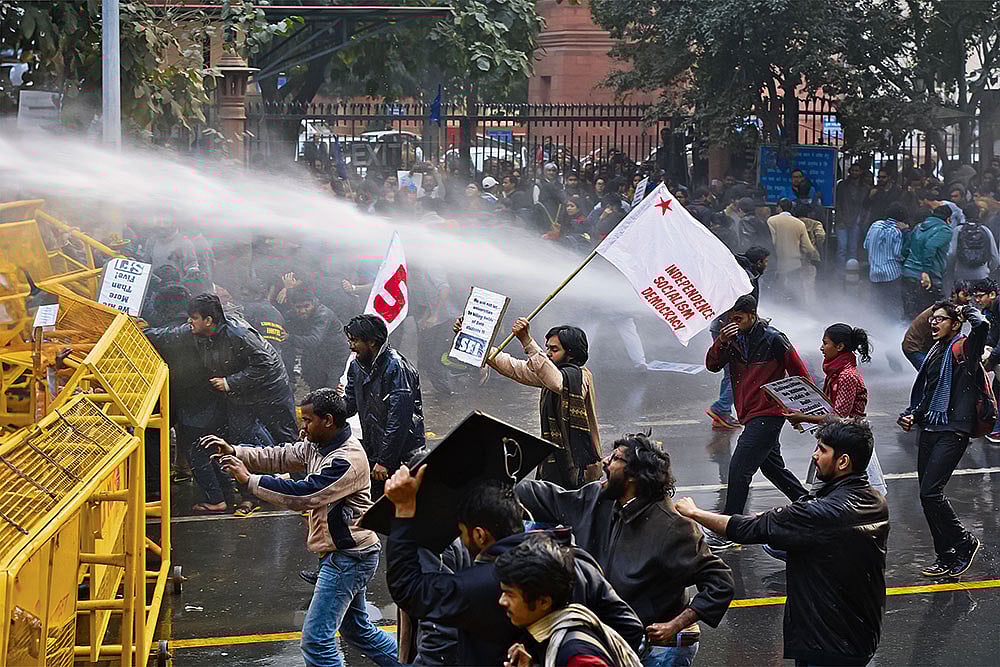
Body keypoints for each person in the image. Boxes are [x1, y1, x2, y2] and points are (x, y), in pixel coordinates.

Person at [202, 389, 398, 667]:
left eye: (307, 420)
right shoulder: (318, 445)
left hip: (349, 557)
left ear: (328, 420)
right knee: (358, 631)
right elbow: (281, 456)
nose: (302, 427)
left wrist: (249, 481)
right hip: (344, 553)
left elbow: (304, 494)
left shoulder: (346, 460)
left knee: (317, 640)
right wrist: (236, 451)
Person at [675, 420, 889, 667]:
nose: (815, 455)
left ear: (843, 462)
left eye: (822, 449)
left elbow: (745, 530)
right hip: (861, 633)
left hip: (826, 641)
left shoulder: (819, 513)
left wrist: (694, 512)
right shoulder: (874, 501)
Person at [516, 433, 735, 667]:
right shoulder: (596, 498)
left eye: (616, 458)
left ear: (635, 475)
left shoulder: (675, 529)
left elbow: (720, 583)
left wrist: (676, 624)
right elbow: (546, 497)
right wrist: (497, 475)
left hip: (660, 650)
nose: (605, 462)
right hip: (614, 637)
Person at [384, 471, 645, 666]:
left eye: (509, 594)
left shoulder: (484, 584)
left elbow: (409, 590)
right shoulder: (579, 561)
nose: (502, 600)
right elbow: (630, 629)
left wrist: (404, 510)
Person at [704, 294, 810, 549]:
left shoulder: (774, 339)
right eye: (729, 319)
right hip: (749, 414)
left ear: (752, 315)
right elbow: (712, 365)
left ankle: (730, 528)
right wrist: (721, 341)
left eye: (738, 319)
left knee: (739, 468)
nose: (733, 324)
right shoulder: (731, 341)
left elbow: (800, 374)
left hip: (769, 414)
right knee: (772, 468)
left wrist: (804, 411)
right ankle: (809, 504)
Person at [898, 300, 986, 578]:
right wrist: (913, 413)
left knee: (931, 492)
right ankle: (945, 555)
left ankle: (963, 542)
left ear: (956, 323)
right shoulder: (935, 351)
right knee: (927, 496)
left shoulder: (965, 349)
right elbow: (929, 392)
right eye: (932, 319)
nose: (933, 323)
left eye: (940, 319)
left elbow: (982, 325)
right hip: (930, 428)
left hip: (954, 430)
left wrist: (966, 309)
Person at [478, 317, 602, 488]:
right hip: (557, 460)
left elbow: (557, 383)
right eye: (547, 348)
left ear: (571, 353)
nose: (549, 353)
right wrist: (476, 339)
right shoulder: (549, 374)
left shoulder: (580, 376)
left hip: (581, 465)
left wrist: (527, 341)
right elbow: (514, 368)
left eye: (554, 349)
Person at [497, 535, 642, 667]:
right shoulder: (552, 639)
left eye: (510, 594)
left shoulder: (578, 657)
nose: (502, 601)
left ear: (544, 602)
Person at [784, 324, 887, 495]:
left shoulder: (847, 376)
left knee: (845, 494)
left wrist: (804, 417)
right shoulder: (836, 373)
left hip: (849, 443)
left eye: (825, 343)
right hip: (838, 440)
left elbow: (839, 416)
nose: (821, 348)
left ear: (839, 347)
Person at [342, 314, 425, 496]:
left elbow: (399, 420)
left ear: (372, 342)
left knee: (399, 507)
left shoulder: (397, 368)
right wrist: (325, 413)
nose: (351, 346)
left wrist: (385, 461)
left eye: (355, 340)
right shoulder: (357, 367)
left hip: (402, 456)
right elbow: (349, 403)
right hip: (374, 451)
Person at [705, 246, 770, 430]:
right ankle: (721, 408)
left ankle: (722, 410)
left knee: (731, 372)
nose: (767, 265)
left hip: (723, 327)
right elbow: (736, 307)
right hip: (729, 330)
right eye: (765, 261)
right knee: (736, 372)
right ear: (758, 262)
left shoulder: (741, 272)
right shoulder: (746, 278)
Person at [282, 287, 351, 392]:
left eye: (306, 306)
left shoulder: (323, 314)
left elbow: (314, 340)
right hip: (317, 356)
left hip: (335, 357)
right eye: (298, 307)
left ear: (313, 303)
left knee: (330, 391)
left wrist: (289, 337)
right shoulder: (292, 314)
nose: (302, 310)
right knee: (315, 388)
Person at [901, 281, 973, 371]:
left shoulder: (954, 308)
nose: (969, 298)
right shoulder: (946, 311)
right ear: (955, 294)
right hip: (915, 347)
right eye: (965, 295)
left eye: (970, 294)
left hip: (926, 346)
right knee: (933, 375)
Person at [901, 204, 953, 320]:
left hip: (908, 273)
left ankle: (900, 334)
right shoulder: (945, 230)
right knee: (935, 314)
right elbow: (930, 247)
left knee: (910, 312)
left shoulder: (919, 227)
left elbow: (906, 249)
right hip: (929, 278)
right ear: (948, 218)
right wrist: (925, 272)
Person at [766, 198, 820, 302]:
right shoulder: (799, 224)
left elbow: (771, 243)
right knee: (795, 294)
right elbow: (808, 248)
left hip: (776, 264)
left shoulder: (771, 221)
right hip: (795, 265)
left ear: (779, 208)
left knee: (775, 294)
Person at [864, 202, 909, 321]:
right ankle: (891, 328)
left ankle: (878, 325)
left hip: (874, 273)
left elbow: (866, 245)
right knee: (892, 305)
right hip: (892, 274)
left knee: (878, 304)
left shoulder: (875, 225)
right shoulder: (896, 231)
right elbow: (898, 254)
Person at [973, 278, 1000, 443]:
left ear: (992, 294)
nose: (977, 300)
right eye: (975, 296)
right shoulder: (992, 309)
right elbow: (994, 335)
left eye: (980, 296)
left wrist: (992, 356)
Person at [950, 201, 999, 282]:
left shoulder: (958, 230)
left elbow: (952, 254)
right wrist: (987, 270)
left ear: (964, 214)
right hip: (982, 275)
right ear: (978, 214)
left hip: (961, 276)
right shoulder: (985, 230)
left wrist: (951, 271)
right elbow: (995, 257)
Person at [835, 162, 871, 266]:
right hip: (842, 220)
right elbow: (838, 203)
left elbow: (866, 206)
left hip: (856, 221)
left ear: (861, 172)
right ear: (849, 171)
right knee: (842, 248)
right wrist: (839, 218)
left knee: (852, 249)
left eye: (857, 170)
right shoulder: (842, 185)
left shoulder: (865, 188)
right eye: (853, 170)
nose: (855, 173)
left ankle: (851, 273)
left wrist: (861, 220)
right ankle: (840, 274)